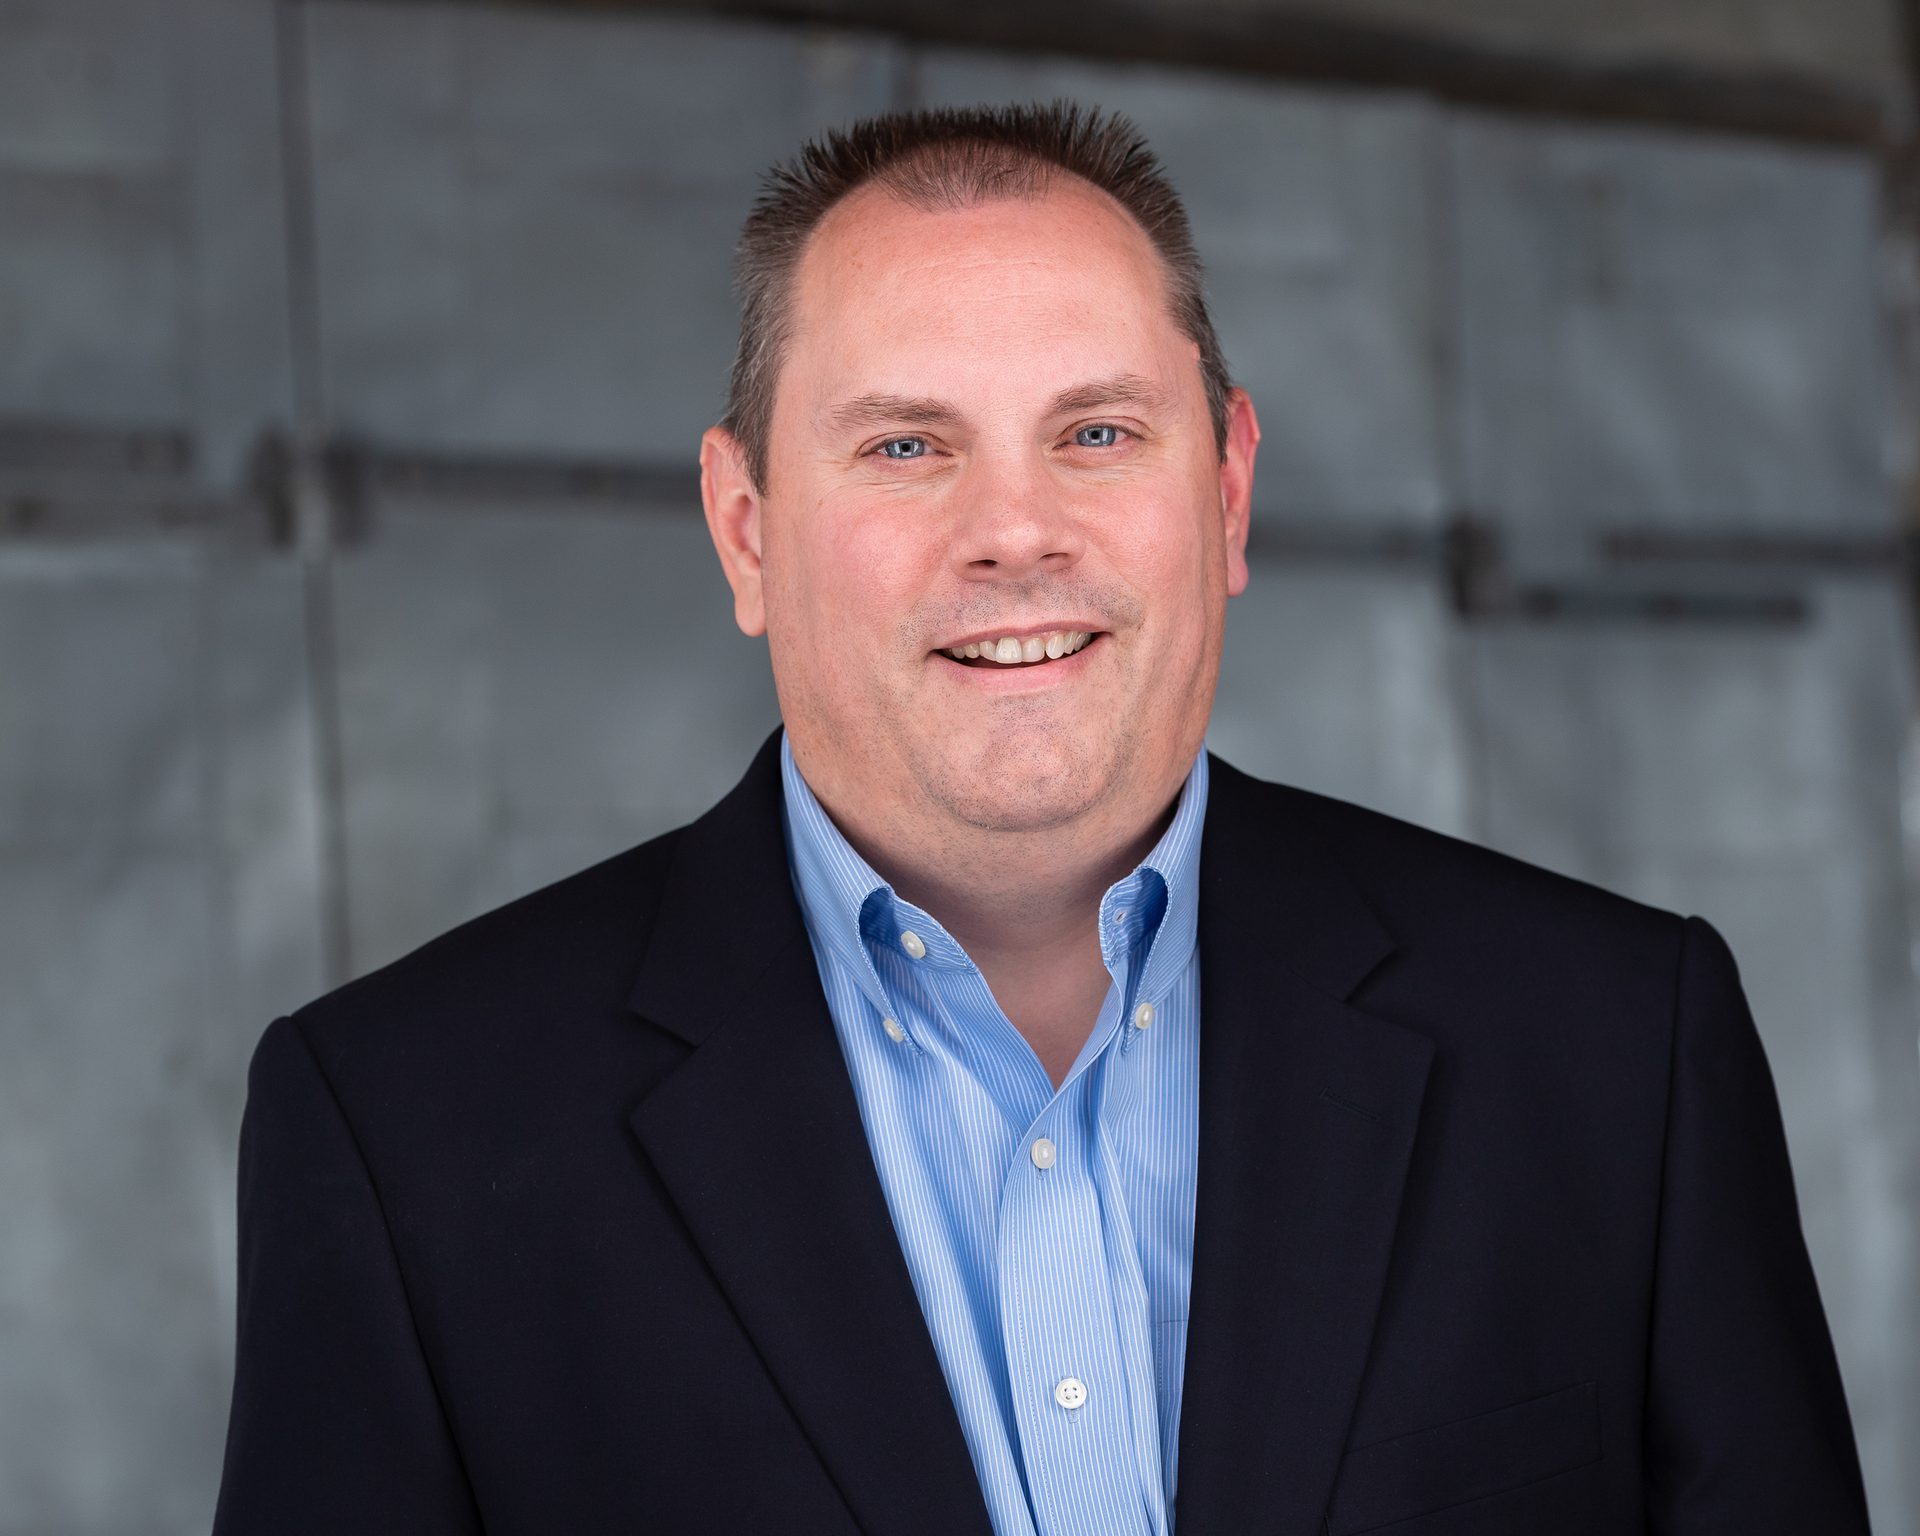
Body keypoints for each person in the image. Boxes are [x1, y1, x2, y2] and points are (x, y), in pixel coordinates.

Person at [211, 104, 1871, 1536]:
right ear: (745, 530)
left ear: (1224, 494)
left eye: (1095, 432)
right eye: (907, 445)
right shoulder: (404, 1139)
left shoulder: (1611, 1053)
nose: (1015, 532)